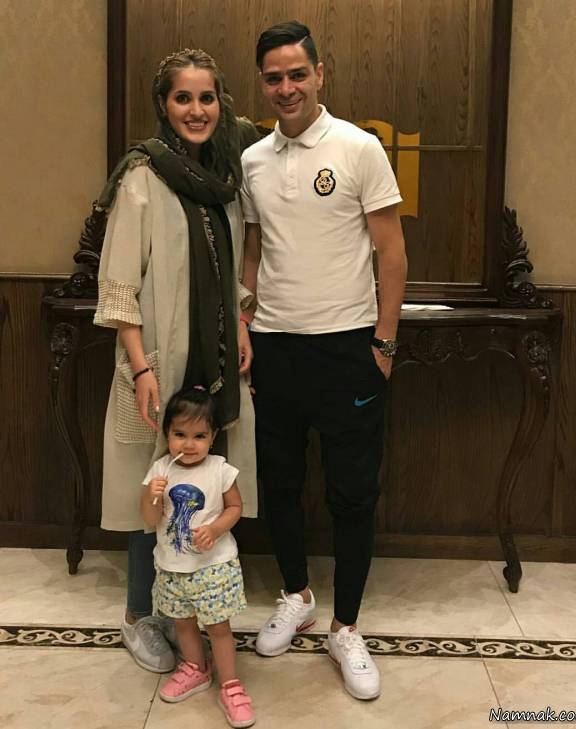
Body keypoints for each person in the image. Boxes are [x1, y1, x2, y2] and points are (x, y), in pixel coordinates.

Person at [240, 21, 407, 700]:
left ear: (320, 74)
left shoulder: (359, 147)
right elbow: (254, 250)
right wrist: (245, 323)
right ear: (263, 83)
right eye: (274, 78)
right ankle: (297, 595)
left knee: (351, 494)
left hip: (348, 349)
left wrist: (384, 344)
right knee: (279, 484)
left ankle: (346, 626)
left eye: (297, 74)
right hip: (274, 347)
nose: (286, 88)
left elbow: (391, 253)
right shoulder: (253, 159)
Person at [94, 49, 258, 675]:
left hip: (213, 361)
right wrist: (141, 368)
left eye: (206, 97)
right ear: (163, 105)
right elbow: (120, 285)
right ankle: (141, 613)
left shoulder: (223, 179)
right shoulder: (143, 175)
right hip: (159, 361)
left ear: (221, 103)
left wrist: (240, 323)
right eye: (183, 98)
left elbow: (230, 265)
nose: (196, 109)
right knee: (153, 480)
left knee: (204, 478)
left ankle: (189, 603)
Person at [141, 387, 254, 727]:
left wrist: (216, 529)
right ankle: (195, 668)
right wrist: (151, 496)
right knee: (183, 623)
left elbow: (235, 507)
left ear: (213, 437)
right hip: (172, 567)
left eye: (199, 436)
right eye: (180, 434)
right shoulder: (160, 470)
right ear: (167, 434)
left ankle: (230, 684)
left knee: (218, 627)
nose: (189, 445)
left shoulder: (220, 469)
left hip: (213, 567)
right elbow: (149, 519)